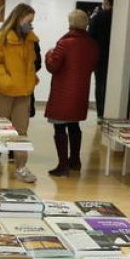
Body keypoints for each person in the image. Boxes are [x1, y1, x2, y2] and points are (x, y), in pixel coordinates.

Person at [0, 3, 40, 183]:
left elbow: (32, 65)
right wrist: (7, 82)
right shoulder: (1, 38)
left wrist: (31, 82)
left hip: (23, 94)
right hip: (2, 92)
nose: (31, 24)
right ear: (18, 18)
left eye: (32, 21)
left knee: (21, 131)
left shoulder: (31, 40)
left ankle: (21, 167)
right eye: (28, 20)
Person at [44, 10, 99, 177]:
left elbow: (53, 67)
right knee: (74, 125)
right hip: (80, 93)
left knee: (59, 127)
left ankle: (63, 165)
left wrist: (48, 54)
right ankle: (75, 161)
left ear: (71, 23)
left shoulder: (64, 44)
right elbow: (92, 66)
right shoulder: (92, 44)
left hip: (63, 93)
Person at [88, 0, 114, 118]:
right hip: (116, 57)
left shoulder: (98, 17)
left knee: (100, 85)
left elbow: (89, 35)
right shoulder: (121, 16)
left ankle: (101, 114)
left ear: (107, 2)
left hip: (100, 56)